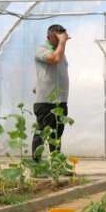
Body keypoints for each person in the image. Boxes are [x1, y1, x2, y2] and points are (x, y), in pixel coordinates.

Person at [31, 24, 71, 165]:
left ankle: (56, 166)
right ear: (48, 37)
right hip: (45, 102)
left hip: (60, 101)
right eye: (57, 38)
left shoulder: (60, 51)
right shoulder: (41, 49)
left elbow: (51, 72)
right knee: (41, 134)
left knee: (56, 136)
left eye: (63, 37)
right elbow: (54, 60)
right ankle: (36, 167)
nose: (61, 40)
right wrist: (62, 42)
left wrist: (39, 84)